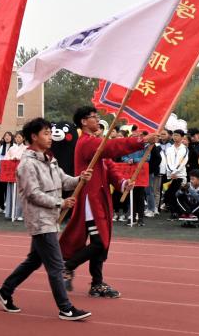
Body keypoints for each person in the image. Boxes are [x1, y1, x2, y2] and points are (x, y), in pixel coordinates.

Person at [0, 118, 93, 320]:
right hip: (40, 220)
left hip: (50, 218)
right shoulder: (27, 164)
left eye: (50, 132)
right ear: (34, 136)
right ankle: (65, 308)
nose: (50, 137)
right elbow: (33, 194)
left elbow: (64, 181)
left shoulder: (50, 160)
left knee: (34, 260)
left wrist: (80, 179)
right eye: (46, 133)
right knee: (56, 266)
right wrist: (60, 203)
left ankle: (4, 291)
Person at [60, 105, 156, 298]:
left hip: (100, 199)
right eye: (93, 117)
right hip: (91, 200)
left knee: (101, 241)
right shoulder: (86, 142)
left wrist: (123, 183)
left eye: (97, 116)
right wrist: (141, 140)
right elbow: (112, 147)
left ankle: (96, 283)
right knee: (99, 242)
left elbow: (110, 167)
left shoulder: (96, 144)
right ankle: (68, 267)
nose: (97, 119)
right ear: (83, 122)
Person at [160, 129, 188, 218]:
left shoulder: (184, 148)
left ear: (182, 137)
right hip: (170, 175)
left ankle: (179, 212)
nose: (175, 137)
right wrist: (172, 172)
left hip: (180, 175)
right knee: (169, 194)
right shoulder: (169, 149)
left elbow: (183, 161)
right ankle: (174, 212)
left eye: (177, 135)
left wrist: (175, 171)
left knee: (175, 194)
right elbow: (167, 161)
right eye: (174, 135)